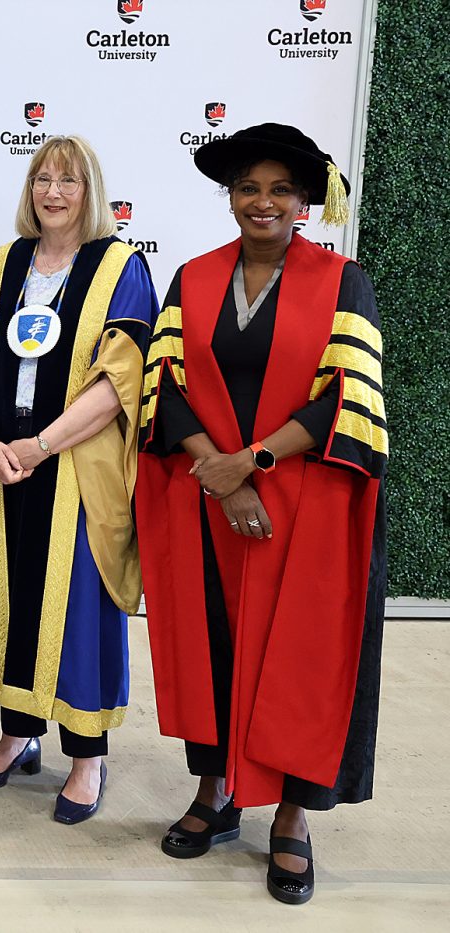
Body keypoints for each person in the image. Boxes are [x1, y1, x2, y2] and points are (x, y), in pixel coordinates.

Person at [137, 123, 385, 906]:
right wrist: (218, 469)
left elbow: (346, 398)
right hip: (208, 498)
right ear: (231, 198)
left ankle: (291, 817)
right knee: (212, 642)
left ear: (306, 202)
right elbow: (162, 386)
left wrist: (252, 462)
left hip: (304, 504)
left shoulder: (343, 282)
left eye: (281, 189)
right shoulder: (193, 277)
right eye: (249, 188)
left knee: (299, 656)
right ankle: (215, 793)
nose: (263, 202)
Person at [0, 136, 157, 825]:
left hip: (75, 463)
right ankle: (18, 734)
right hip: (1, 459)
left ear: (90, 190)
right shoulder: (1, 265)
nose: (54, 191)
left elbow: (119, 378)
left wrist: (41, 443)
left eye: (68, 179)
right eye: (42, 178)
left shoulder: (120, 267)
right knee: (10, 594)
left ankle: (88, 755)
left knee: (77, 607)